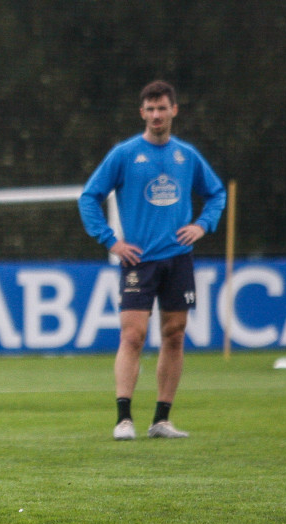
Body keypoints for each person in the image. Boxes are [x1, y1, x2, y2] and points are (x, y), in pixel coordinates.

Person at [78, 80, 226, 441]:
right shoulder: (125, 154)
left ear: (174, 110)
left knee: (174, 335)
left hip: (178, 259)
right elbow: (89, 197)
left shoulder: (186, 156)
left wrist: (202, 225)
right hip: (139, 260)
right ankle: (123, 418)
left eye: (163, 108)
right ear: (142, 113)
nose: (157, 115)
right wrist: (111, 240)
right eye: (151, 109)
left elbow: (216, 193)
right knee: (133, 335)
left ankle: (162, 419)